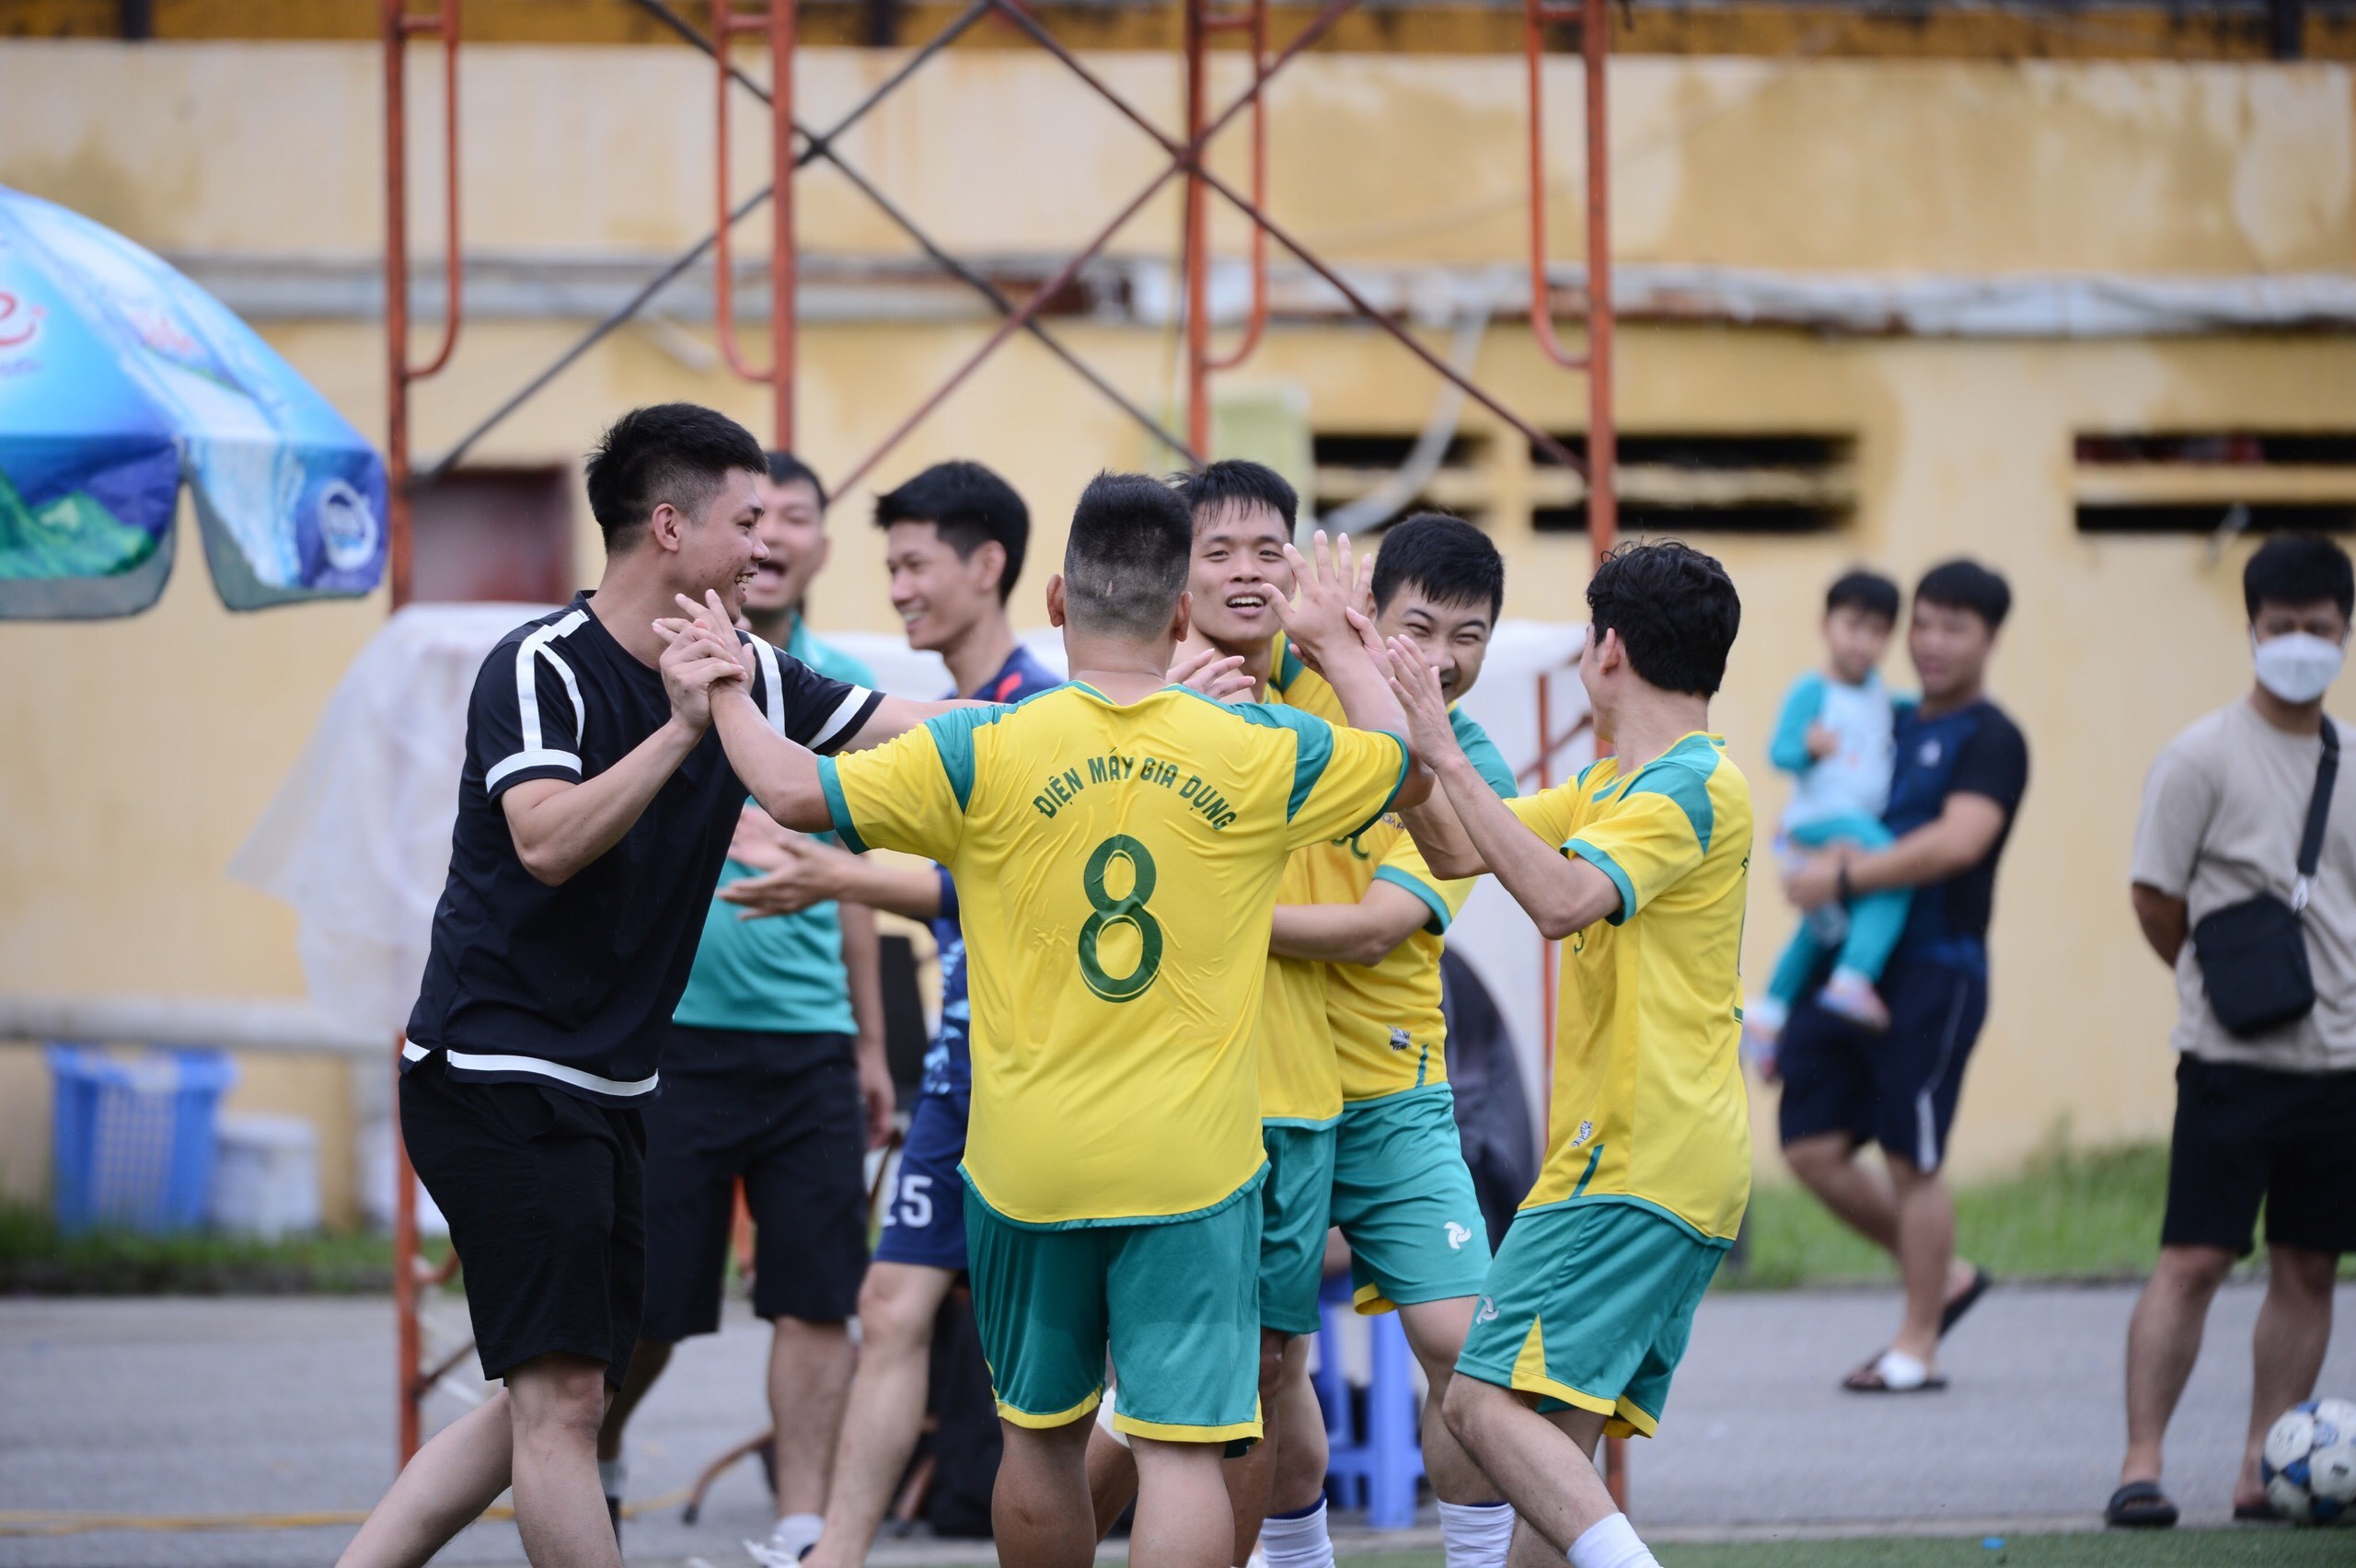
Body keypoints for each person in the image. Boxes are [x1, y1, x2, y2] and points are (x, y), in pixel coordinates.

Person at [662, 473, 1426, 1568]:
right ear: (1178, 614)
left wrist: (727, 688)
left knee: (1041, 1438)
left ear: (1058, 602)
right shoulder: (1257, 753)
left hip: (1023, 1163)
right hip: (1193, 1168)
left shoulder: (985, 745)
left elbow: (790, 792)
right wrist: (1346, 646)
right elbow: (1399, 766)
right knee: (1176, 1452)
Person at [339, 402, 987, 1568]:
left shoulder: (748, 671)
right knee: (568, 1403)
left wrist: (1125, 705)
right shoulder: (542, 665)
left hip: (613, 1086)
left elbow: (928, 726)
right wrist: (689, 729)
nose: (770, 547)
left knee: (541, 1397)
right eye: (750, 522)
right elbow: (545, 839)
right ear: (672, 526)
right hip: (497, 1075)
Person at [712, 459, 1063, 1568]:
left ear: (987, 565)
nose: (900, 588)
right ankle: (833, 1552)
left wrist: (830, 876)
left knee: (1049, 1347)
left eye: (915, 564)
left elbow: (1006, 885)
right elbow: (844, 819)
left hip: (1039, 1065)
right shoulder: (920, 715)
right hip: (961, 1054)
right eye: (891, 565)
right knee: (890, 1297)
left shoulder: (1035, 712)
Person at [1384, 538, 1751, 1568]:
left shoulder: (1690, 788)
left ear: (1607, 650)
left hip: (1635, 1164)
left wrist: (1441, 746)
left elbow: (1555, 902)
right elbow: (1458, 846)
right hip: (1641, 1166)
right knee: (1551, 1450)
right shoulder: (1611, 786)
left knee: (1477, 1407)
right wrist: (1402, 719)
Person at [591, 451, 894, 1561]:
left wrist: (867, 1042)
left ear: (813, 543)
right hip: (670, 1036)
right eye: (747, 518)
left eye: (789, 519)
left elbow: (853, 877)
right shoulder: (630, 664)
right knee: (655, 1303)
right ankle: (600, 1451)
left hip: (808, 1039)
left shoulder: (827, 684)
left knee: (818, 1294)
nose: (766, 540)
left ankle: (803, 1526)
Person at [1075, 459, 1340, 1568]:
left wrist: (1351, 652)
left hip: (1293, 1087)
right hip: (1166, 1093)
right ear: (1169, 578)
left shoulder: (1328, 685)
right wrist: (1177, 718)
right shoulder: (1120, 699)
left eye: (1266, 551)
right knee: (1158, 1388)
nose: (1244, 573)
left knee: (1271, 1372)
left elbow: (1427, 799)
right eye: (1215, 552)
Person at [1265, 512, 1517, 1568]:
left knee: (1467, 1358)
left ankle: (1471, 1556)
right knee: (1270, 1364)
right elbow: (1206, 612)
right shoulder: (1284, 682)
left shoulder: (1477, 763)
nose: (1446, 659)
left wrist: (1214, 928)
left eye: (1471, 636)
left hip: (1395, 1097)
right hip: (1262, 1092)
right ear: (1370, 612)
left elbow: (1376, 930)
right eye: (1422, 626)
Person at [2107, 534, 2356, 1529]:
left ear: (2345, 634)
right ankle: (2141, 1463)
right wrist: (2220, 984)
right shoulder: (2197, 758)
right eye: (2282, 627)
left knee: (2307, 1265)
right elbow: (2153, 897)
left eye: (2320, 628)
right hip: (2227, 1062)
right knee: (2195, 1259)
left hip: (2339, 1067)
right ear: (2249, 629)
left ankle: (2266, 1464)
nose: (2300, 643)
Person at [1776, 559, 2027, 1394]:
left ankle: (1918, 1342)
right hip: (1848, 961)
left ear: (1990, 639)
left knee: (1912, 1157)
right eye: (1923, 623)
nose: (1932, 642)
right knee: (1809, 1147)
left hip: (1934, 969)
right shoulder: (1883, 713)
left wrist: (1843, 877)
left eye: (1955, 627)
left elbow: (1957, 843)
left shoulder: (1991, 738)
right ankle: (1945, 1274)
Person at [1745, 570, 1909, 1055]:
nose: (1864, 642)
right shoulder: (1811, 691)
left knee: (1820, 929)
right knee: (1893, 868)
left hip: (1849, 822)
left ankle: (1768, 1015)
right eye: (1853, 626)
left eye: (1878, 632)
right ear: (1826, 625)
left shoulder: (1881, 694)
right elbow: (1778, 752)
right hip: (1820, 819)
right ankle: (1854, 977)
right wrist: (1808, 748)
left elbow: (1914, 712)